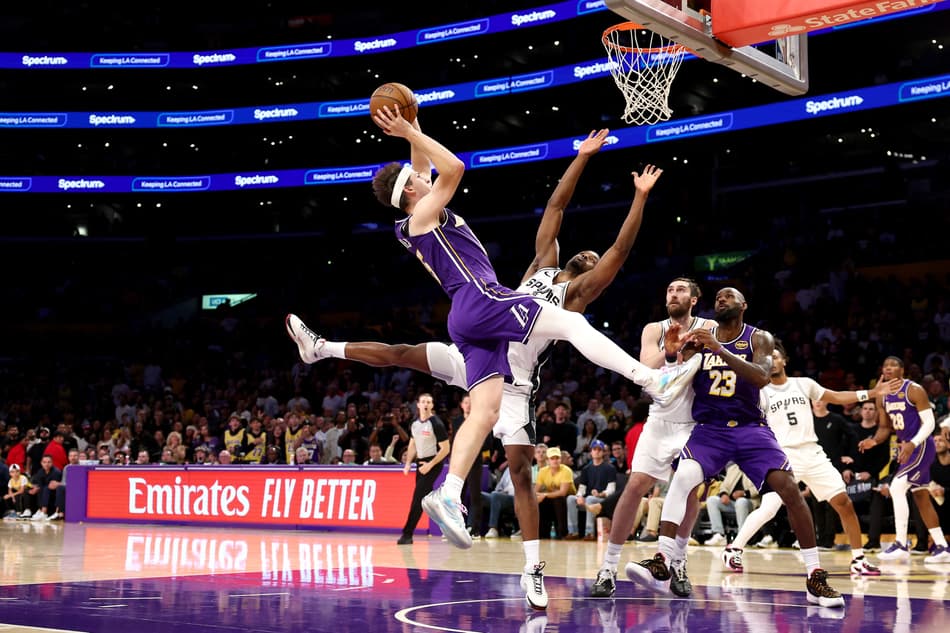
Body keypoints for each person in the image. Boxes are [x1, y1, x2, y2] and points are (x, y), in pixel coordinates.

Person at [288, 122, 681, 609]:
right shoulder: (528, 261)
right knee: (566, 333)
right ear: (412, 190)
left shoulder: (573, 289)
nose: (587, 254)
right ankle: (649, 378)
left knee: (487, 416)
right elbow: (463, 173)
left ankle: (455, 496)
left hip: (496, 352)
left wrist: (413, 126)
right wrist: (411, 127)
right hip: (484, 307)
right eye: (417, 179)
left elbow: (422, 171)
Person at [625, 287, 845, 608]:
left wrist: (720, 349)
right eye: (718, 298)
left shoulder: (759, 338)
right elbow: (673, 380)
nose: (721, 300)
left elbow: (760, 377)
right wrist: (672, 354)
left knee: (789, 490)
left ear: (743, 306)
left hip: (750, 429)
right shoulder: (699, 337)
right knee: (684, 477)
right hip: (710, 429)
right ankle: (662, 558)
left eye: (729, 297)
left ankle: (814, 575)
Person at [721, 340, 901, 576]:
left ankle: (858, 559)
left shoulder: (803, 384)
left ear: (784, 360)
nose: (771, 362)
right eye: (766, 359)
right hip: (782, 456)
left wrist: (872, 393)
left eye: (775, 357)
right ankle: (733, 549)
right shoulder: (759, 393)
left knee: (843, 502)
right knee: (769, 508)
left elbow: (836, 396)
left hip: (813, 454)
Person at [590, 277, 714, 598]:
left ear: (694, 299)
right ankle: (608, 567)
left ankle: (678, 562)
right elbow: (645, 366)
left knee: (689, 491)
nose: (674, 294)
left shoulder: (708, 327)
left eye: (681, 290)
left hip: (693, 422)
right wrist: (670, 350)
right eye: (670, 289)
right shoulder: (653, 329)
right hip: (660, 420)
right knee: (635, 487)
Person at [858, 356, 950, 563]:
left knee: (897, 487)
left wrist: (912, 444)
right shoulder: (882, 396)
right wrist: (874, 441)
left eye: (893, 365)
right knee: (920, 496)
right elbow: (884, 428)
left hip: (922, 445)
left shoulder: (914, 390)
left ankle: (900, 543)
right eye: (885, 365)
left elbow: (929, 424)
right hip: (908, 447)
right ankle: (943, 546)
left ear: (902, 370)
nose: (888, 368)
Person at [397, 393, 450, 546]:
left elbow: (445, 449)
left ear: (432, 405)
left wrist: (430, 465)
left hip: (433, 463)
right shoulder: (414, 423)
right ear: (418, 405)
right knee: (424, 499)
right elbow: (413, 444)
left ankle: (407, 534)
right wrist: (408, 463)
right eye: (423, 401)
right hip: (420, 463)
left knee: (418, 499)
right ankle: (446, 521)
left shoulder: (436, 423)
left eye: (429, 402)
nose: (426, 404)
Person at [566, 439, 618, 540]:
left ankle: (589, 532)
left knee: (590, 499)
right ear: (591, 452)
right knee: (570, 499)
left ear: (603, 452)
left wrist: (600, 494)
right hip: (589, 498)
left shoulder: (610, 468)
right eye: (595, 449)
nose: (597, 451)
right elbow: (582, 488)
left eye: (599, 449)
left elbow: (611, 490)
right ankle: (573, 531)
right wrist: (579, 496)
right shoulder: (586, 469)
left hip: (602, 500)